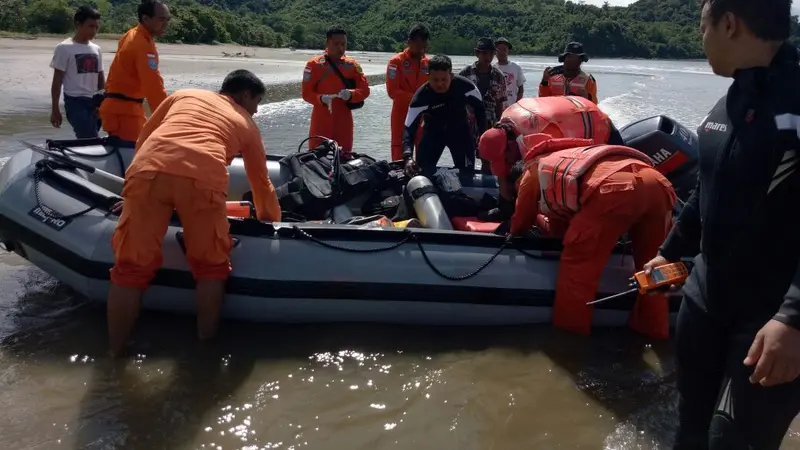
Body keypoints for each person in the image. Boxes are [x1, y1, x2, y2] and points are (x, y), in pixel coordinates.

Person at [642, 0, 800, 447]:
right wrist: (668, 252)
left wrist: (794, 319)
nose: (700, 38)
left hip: (771, 319)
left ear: (729, 24)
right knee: (688, 431)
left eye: (701, 26)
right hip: (705, 303)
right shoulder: (728, 100)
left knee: (733, 441)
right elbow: (704, 194)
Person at [106, 70, 282, 356]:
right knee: (210, 267)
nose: (257, 110)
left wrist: (130, 194)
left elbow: (144, 139)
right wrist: (272, 224)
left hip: (148, 170)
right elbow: (260, 183)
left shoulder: (183, 95)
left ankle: (114, 355)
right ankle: (204, 351)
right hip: (202, 179)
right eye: (257, 102)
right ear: (245, 95)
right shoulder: (246, 124)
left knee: (129, 268)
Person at [509, 134, 676, 339]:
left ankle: (571, 343)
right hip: (658, 184)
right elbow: (563, 222)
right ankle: (655, 333)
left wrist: (512, 233)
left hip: (613, 189)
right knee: (654, 268)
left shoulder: (531, 171)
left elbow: (521, 219)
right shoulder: (568, 159)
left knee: (577, 269)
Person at [477, 96, 622, 221]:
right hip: (571, 110)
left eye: (505, 158)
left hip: (598, 125)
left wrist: (520, 214)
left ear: (511, 144)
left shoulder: (540, 134)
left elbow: (544, 179)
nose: (507, 163)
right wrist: (504, 203)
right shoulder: (506, 119)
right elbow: (503, 169)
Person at [98, 0, 169, 147]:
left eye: (168, 19)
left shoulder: (133, 35)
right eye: (161, 19)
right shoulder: (142, 44)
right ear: (146, 19)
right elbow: (153, 86)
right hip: (124, 112)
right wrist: (168, 117)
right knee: (133, 155)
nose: (166, 24)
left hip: (122, 108)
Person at [402, 55, 486, 178]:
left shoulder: (466, 87)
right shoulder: (421, 98)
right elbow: (409, 128)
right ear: (428, 77)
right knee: (421, 173)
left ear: (451, 76)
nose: (440, 84)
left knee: (466, 175)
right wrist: (407, 157)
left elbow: (481, 112)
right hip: (433, 134)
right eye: (435, 80)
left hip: (460, 133)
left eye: (444, 79)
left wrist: (481, 140)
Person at [301, 25, 370, 153]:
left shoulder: (352, 65)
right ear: (327, 43)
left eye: (344, 44)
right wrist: (320, 98)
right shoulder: (314, 65)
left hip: (344, 122)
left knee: (344, 158)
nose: (341, 48)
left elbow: (365, 90)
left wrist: (351, 94)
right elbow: (306, 93)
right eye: (336, 44)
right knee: (316, 159)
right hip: (321, 120)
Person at [49, 6, 105, 139]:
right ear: (77, 24)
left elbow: (101, 78)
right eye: (90, 26)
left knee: (90, 137)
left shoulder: (96, 49)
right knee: (90, 138)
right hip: (75, 102)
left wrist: (102, 103)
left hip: (94, 101)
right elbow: (57, 81)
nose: (94, 31)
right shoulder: (64, 48)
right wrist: (55, 109)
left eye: (96, 27)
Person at [459, 37, 507, 174]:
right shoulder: (465, 74)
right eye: (485, 53)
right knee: (467, 158)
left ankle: (487, 187)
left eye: (491, 53)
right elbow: (456, 100)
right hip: (468, 122)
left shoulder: (499, 76)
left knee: (488, 159)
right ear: (477, 53)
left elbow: (500, 101)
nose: (488, 57)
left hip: (489, 123)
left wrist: (499, 123)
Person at [386, 24, 430, 161]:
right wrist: (417, 99)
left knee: (424, 150)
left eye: (424, 46)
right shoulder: (396, 62)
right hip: (401, 114)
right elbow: (393, 91)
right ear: (409, 42)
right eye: (418, 46)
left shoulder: (429, 63)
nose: (421, 50)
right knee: (399, 151)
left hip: (423, 114)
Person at [493, 37, 526, 109]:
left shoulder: (516, 68)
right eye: (499, 50)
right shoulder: (492, 69)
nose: (502, 52)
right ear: (495, 52)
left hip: (513, 107)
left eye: (504, 49)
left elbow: (521, 89)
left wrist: (517, 105)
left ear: (508, 51)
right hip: (496, 108)